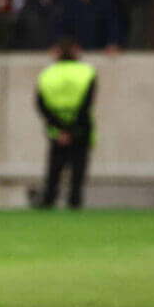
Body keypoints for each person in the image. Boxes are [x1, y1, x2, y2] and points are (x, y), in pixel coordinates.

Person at [35, 38, 96, 209]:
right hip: (80, 128)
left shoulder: (47, 73)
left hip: (56, 129)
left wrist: (60, 128)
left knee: (54, 168)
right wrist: (71, 129)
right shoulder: (87, 72)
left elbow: (40, 104)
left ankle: (48, 199)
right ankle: (74, 201)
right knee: (78, 169)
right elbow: (87, 104)